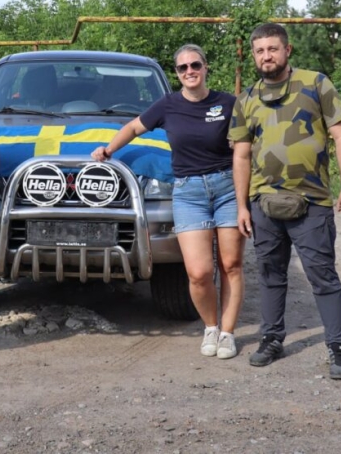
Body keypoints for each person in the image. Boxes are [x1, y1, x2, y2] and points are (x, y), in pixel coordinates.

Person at [92, 44, 244, 359]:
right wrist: (109, 150)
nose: (190, 71)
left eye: (195, 65)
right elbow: (135, 126)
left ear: (206, 68)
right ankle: (211, 327)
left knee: (231, 264)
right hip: (188, 192)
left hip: (228, 187)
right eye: (182, 68)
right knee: (199, 272)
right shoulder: (168, 105)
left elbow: (249, 138)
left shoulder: (229, 103)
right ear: (176, 74)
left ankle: (228, 333)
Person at [229, 22, 341, 381]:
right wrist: (242, 206)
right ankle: (271, 338)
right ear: (254, 56)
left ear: (287, 50)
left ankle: (337, 347)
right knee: (271, 276)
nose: (266, 55)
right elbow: (241, 156)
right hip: (263, 204)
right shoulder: (246, 99)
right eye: (259, 50)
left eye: (273, 48)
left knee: (322, 276)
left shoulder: (316, 84)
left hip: (312, 202)